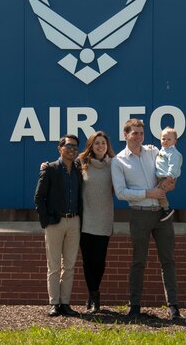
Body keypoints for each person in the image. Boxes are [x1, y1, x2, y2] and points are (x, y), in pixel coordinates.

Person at [111, 118, 181, 320]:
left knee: (168, 260)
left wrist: (170, 183)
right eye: (135, 133)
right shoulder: (118, 161)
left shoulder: (153, 151)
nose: (139, 137)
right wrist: (148, 194)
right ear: (125, 135)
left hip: (162, 214)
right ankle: (134, 306)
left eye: (141, 133)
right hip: (139, 214)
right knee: (138, 262)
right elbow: (121, 192)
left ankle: (173, 307)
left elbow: (168, 170)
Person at [34, 134, 82, 317]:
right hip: (55, 222)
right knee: (53, 265)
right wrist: (45, 221)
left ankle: (65, 303)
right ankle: (54, 303)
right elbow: (39, 197)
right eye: (68, 146)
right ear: (59, 148)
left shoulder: (78, 170)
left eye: (75, 147)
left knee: (69, 265)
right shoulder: (50, 169)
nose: (72, 150)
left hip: (74, 222)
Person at [76, 131, 116, 314]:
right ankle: (93, 297)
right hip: (85, 220)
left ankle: (94, 293)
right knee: (88, 261)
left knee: (99, 261)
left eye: (104, 143)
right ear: (91, 146)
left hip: (104, 220)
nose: (101, 146)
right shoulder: (81, 164)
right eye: (97, 143)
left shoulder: (114, 165)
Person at [155, 127, 183, 222]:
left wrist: (169, 178)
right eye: (163, 139)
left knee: (158, 192)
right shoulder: (162, 151)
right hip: (161, 177)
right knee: (157, 193)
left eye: (169, 139)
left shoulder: (173, 153)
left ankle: (167, 210)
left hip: (167, 178)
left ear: (175, 141)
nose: (165, 141)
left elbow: (173, 166)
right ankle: (163, 208)